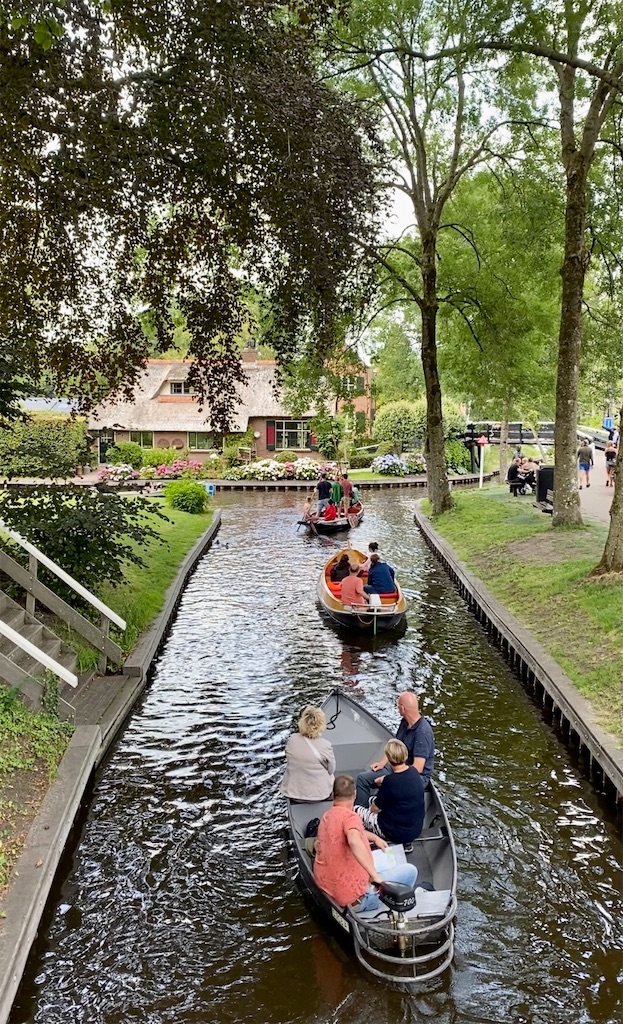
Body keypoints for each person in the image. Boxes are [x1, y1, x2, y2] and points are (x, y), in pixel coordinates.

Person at [313, 775, 418, 912]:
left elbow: (351, 833)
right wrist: (375, 876)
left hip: (326, 888)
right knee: (410, 870)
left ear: (333, 795)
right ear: (355, 794)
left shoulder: (326, 817)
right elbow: (353, 840)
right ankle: (399, 910)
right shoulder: (351, 817)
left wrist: (374, 837)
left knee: (378, 861)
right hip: (356, 900)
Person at [355, 691, 435, 806]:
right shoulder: (405, 723)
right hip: (397, 767)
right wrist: (382, 763)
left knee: (386, 786)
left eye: (398, 706)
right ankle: (360, 815)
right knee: (363, 779)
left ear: (402, 708)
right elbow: (395, 745)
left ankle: (377, 808)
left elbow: (418, 768)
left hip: (416, 778)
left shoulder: (422, 732)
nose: (397, 709)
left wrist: (389, 779)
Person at [355, 739, 425, 846]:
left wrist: (365, 813)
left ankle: (360, 831)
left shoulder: (390, 781)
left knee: (355, 810)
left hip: (392, 832)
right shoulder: (414, 772)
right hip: (415, 830)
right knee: (371, 800)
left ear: (389, 757)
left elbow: (375, 809)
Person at [280, 706, 336, 802]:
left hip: (294, 794)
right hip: (320, 795)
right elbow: (331, 770)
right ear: (321, 725)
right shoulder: (325, 745)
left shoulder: (292, 739)